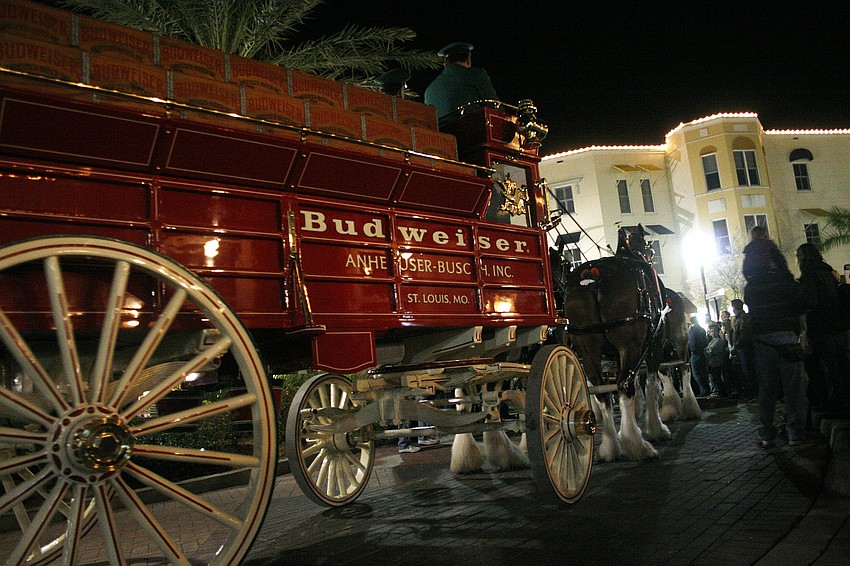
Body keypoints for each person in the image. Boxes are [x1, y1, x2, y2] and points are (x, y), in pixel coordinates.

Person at [743, 235, 814, 447]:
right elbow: (803, 302)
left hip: (763, 343)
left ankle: (767, 433)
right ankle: (795, 433)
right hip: (788, 341)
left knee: (767, 391)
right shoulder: (785, 281)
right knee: (794, 390)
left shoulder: (752, 287)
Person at [797, 243, 849, 417]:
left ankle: (832, 405)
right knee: (839, 367)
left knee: (826, 368)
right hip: (837, 326)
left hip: (821, 328)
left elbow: (809, 302)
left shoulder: (810, 275)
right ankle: (841, 402)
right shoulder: (828, 273)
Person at [424, 42, 498, 125]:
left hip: (441, 136)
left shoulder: (429, 90)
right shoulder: (476, 74)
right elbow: (494, 107)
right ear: (468, 60)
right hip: (471, 133)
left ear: (445, 64)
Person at [730, 298, 756, 402]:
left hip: (744, 349)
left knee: (748, 372)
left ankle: (753, 394)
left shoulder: (742, 318)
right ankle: (749, 394)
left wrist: (736, 345)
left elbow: (743, 334)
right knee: (744, 372)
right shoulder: (738, 318)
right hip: (741, 348)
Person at [704, 322, 730, 397]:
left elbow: (710, 351)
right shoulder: (712, 341)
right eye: (712, 331)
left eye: (715, 331)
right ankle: (720, 390)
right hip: (713, 362)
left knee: (717, 377)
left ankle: (722, 391)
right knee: (715, 377)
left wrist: (706, 351)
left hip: (716, 362)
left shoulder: (718, 341)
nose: (713, 333)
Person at [688, 315, 710, 396]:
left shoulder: (692, 330)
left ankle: (703, 390)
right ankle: (707, 389)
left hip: (695, 354)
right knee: (703, 372)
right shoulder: (702, 329)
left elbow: (692, 342)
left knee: (696, 373)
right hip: (702, 353)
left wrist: (692, 350)